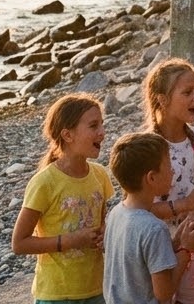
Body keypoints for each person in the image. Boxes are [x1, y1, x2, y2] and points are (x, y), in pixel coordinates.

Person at [11, 93, 113, 304]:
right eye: (93, 126)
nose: (102, 133)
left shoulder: (100, 175)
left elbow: (102, 224)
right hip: (56, 294)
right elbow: (19, 243)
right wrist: (70, 241)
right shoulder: (44, 183)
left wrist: (105, 234)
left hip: (95, 288)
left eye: (102, 125)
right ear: (68, 135)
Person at [142, 58, 194, 304]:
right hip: (157, 247)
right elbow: (140, 209)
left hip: (191, 244)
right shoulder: (147, 147)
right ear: (162, 99)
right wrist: (186, 204)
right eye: (187, 92)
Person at [103, 132, 194, 304]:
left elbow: (138, 262)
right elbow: (164, 293)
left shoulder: (116, 213)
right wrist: (186, 249)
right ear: (151, 178)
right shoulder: (154, 228)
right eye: (169, 165)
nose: (173, 170)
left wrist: (176, 243)